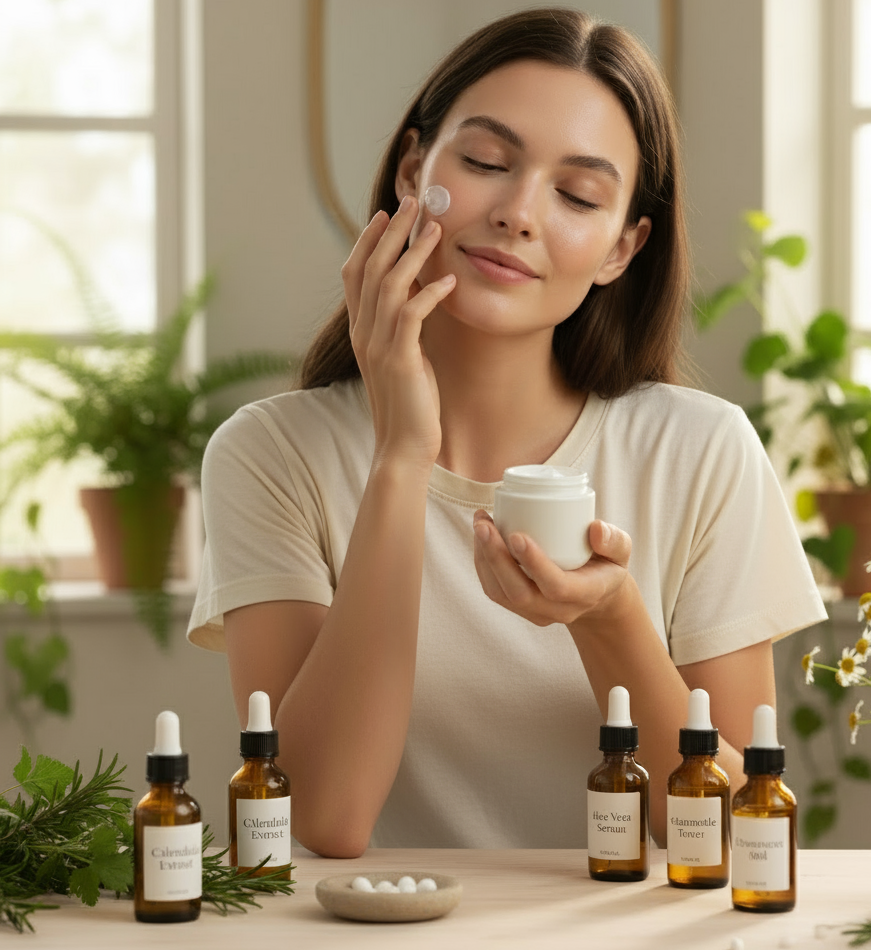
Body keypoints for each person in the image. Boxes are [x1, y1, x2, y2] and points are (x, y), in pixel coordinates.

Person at [187, 7, 827, 857]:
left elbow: (740, 831)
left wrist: (608, 616)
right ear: (414, 171)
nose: (520, 212)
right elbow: (321, 819)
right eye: (487, 162)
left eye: (578, 195)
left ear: (620, 249)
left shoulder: (701, 453)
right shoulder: (270, 455)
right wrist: (401, 459)